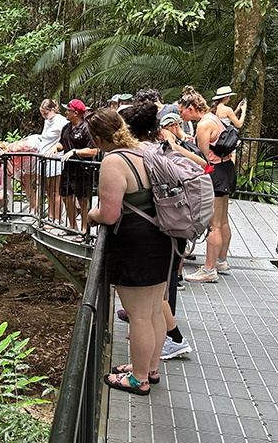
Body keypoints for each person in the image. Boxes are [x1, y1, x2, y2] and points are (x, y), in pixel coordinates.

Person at [86, 108, 170, 395]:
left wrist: (91, 214)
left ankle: (139, 379)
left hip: (135, 244)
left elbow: (109, 214)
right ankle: (150, 367)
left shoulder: (113, 161)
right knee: (154, 310)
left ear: (97, 138)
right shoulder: (143, 151)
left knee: (139, 316)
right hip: (161, 236)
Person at [118, 101, 195, 361]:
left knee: (152, 303)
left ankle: (172, 341)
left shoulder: (143, 153)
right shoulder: (163, 148)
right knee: (158, 297)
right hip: (175, 225)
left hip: (159, 229)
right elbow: (202, 168)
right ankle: (161, 352)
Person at [179, 86, 235, 283]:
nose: (180, 115)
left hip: (216, 172)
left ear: (191, 108)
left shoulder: (203, 125)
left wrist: (178, 148)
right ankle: (221, 260)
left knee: (214, 224)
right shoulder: (214, 118)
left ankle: (209, 269)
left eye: (181, 111)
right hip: (227, 169)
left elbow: (202, 157)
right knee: (223, 219)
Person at [59, 99, 97, 238]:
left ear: (75, 113)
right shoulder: (66, 127)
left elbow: (94, 150)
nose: (66, 112)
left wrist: (75, 152)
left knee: (83, 200)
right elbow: (62, 144)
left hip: (83, 170)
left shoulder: (87, 128)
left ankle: (83, 231)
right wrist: (54, 148)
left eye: (68, 110)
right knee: (65, 197)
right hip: (67, 170)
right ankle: (72, 226)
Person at [39, 99, 69, 224]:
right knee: (48, 189)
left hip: (55, 159)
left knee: (55, 189)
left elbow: (66, 138)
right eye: (42, 114)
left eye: (45, 113)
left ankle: (58, 218)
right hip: (45, 157)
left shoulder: (61, 121)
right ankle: (51, 216)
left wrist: (57, 147)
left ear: (52, 110)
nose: (44, 116)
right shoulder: (47, 121)